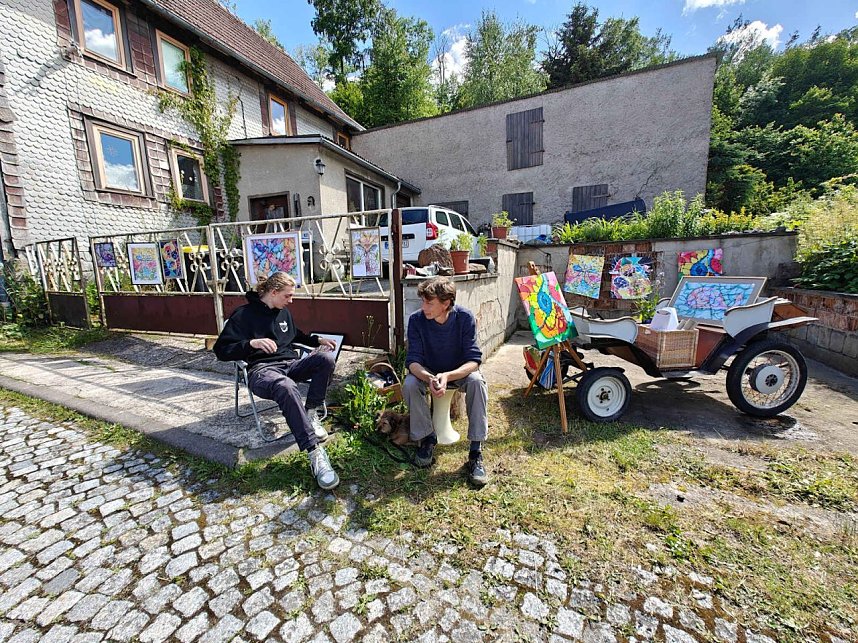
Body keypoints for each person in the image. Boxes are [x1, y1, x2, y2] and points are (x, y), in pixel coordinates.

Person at [213, 272, 340, 490]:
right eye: (288, 296)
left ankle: (310, 414)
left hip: (289, 365)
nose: (291, 301)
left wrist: (317, 340)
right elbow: (221, 350)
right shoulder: (242, 316)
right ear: (273, 292)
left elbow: (294, 335)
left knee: (325, 358)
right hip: (262, 371)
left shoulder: (283, 313)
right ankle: (314, 453)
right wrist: (251, 343)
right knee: (286, 386)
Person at [403, 276, 489, 487]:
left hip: (458, 373)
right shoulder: (416, 320)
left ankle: (476, 451)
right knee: (410, 384)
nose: (424, 307)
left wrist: (448, 376)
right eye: (423, 301)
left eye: (429, 303)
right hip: (428, 372)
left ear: (446, 303)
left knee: (477, 382)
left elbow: (474, 360)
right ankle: (427, 439)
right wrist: (430, 377)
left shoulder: (464, 318)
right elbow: (413, 361)